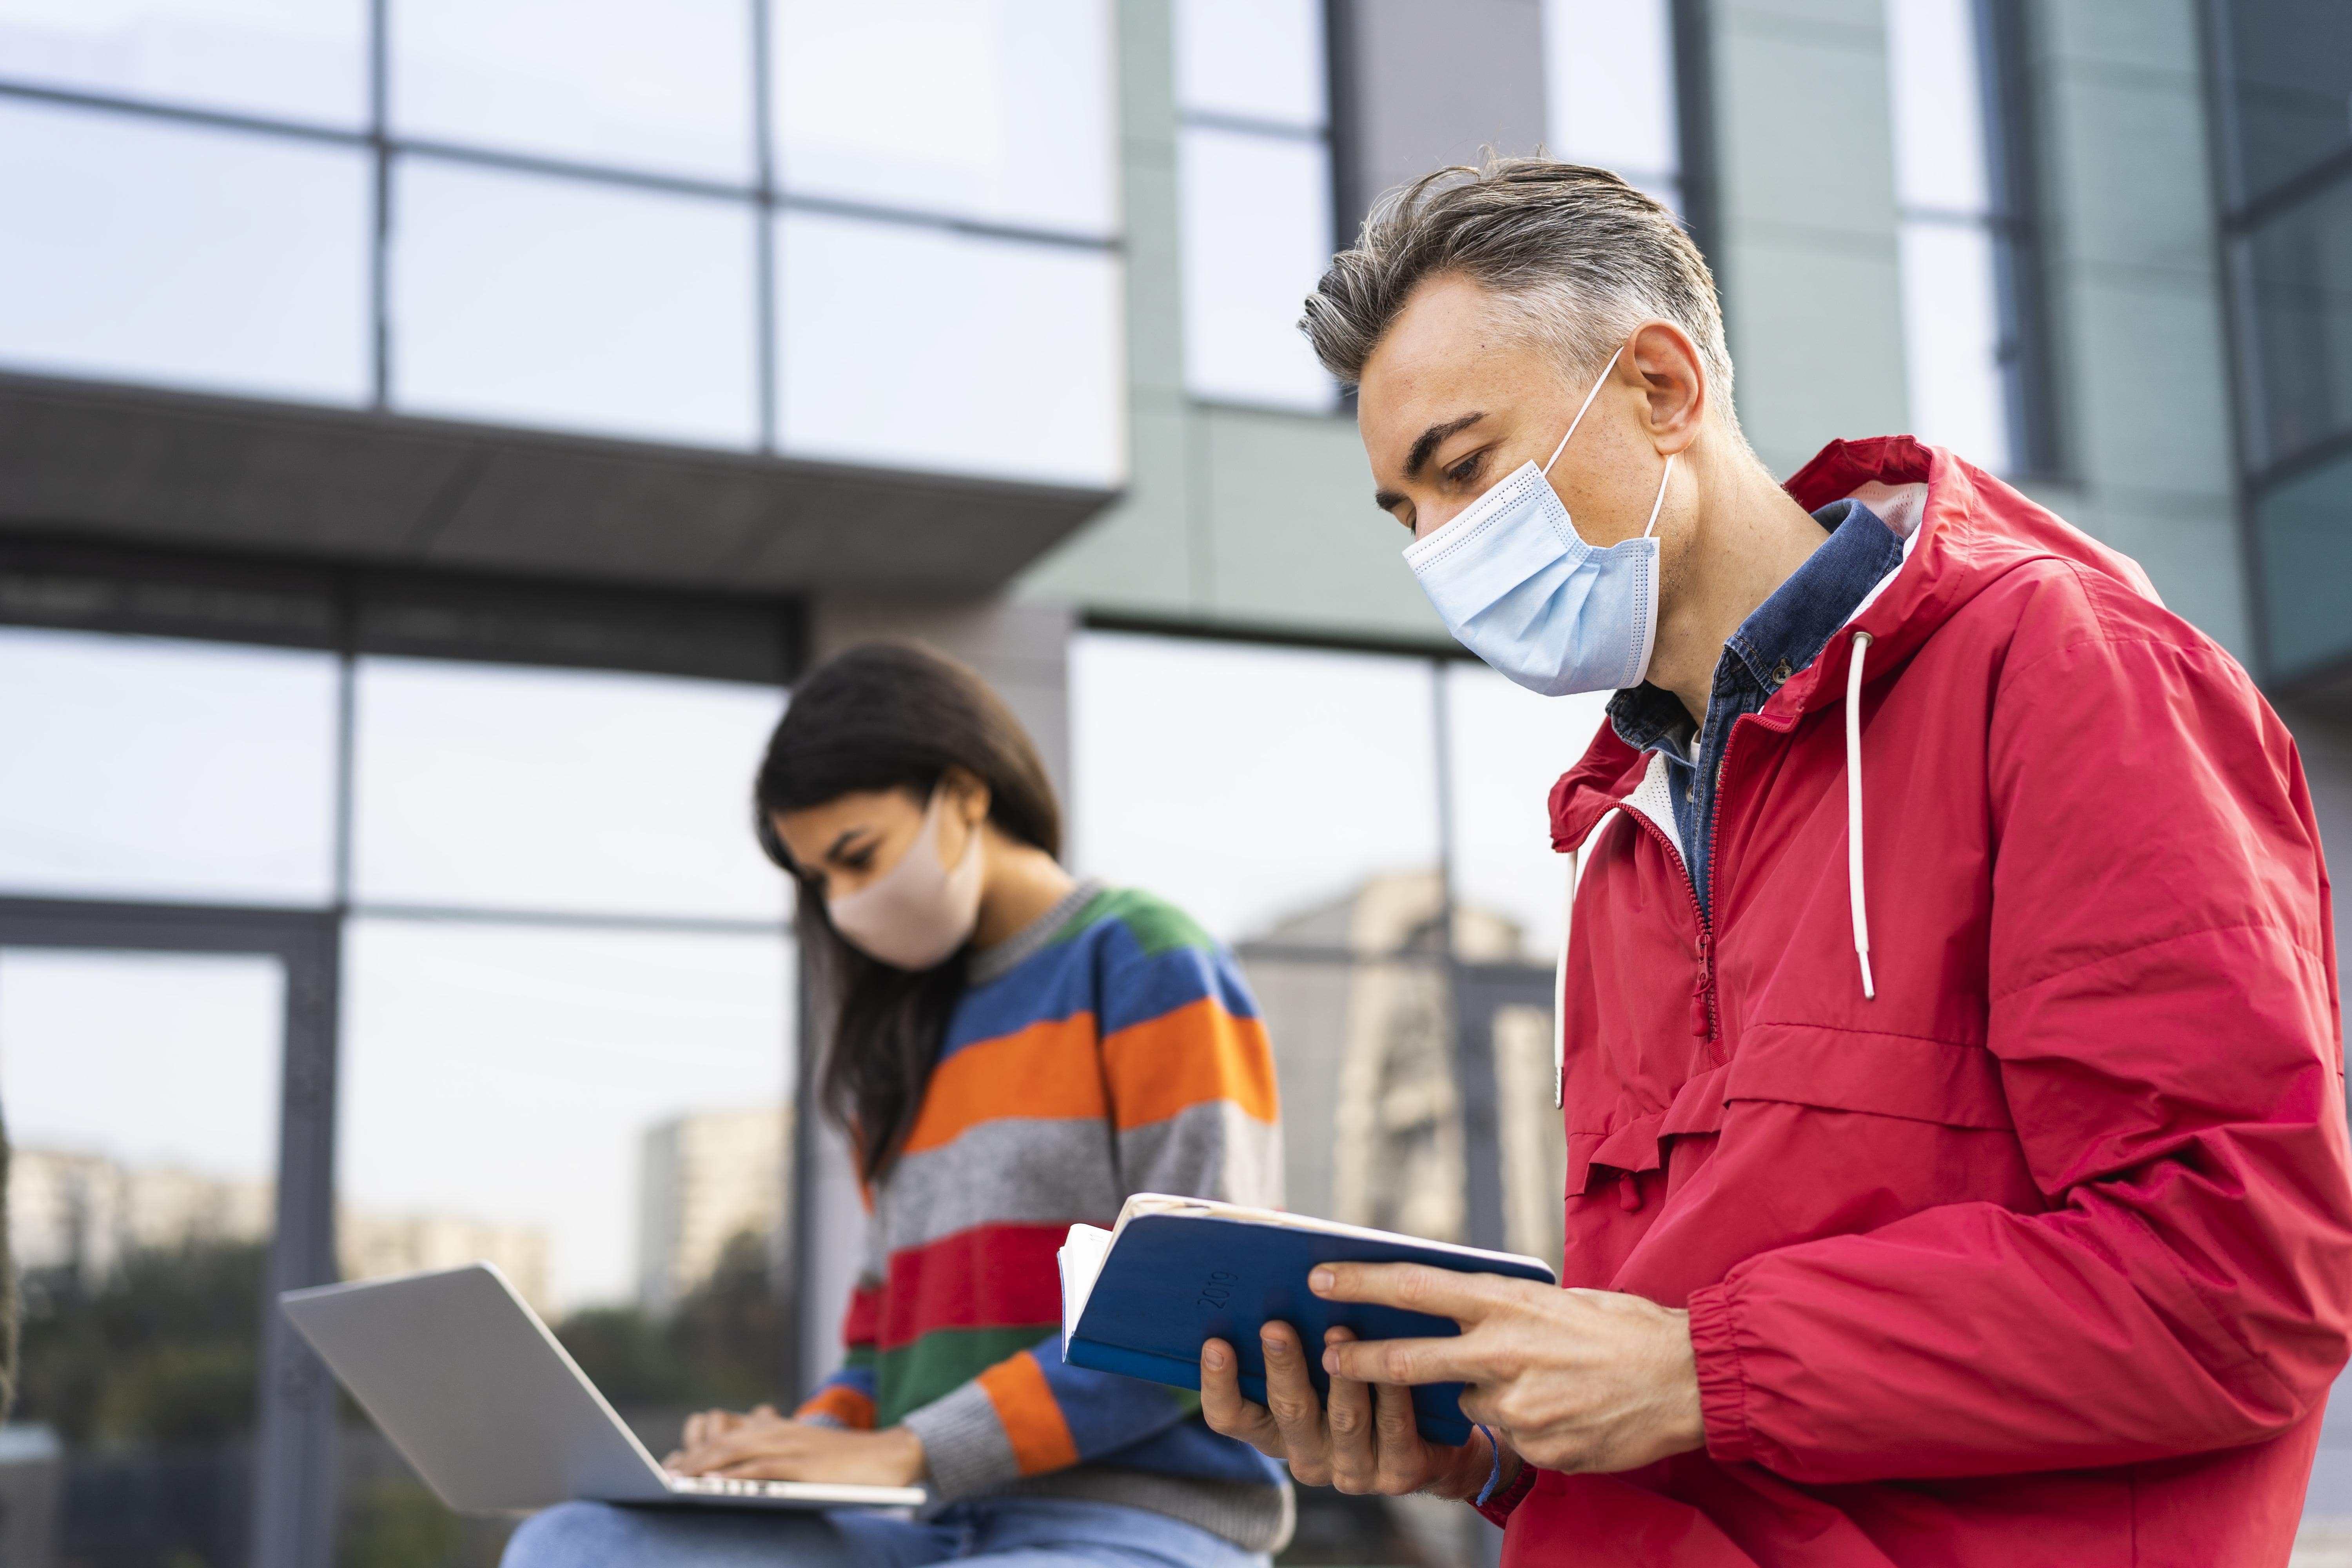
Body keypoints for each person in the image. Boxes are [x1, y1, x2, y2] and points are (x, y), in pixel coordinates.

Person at [1197, 158, 2352, 1565]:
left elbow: (2245, 1278)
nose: (1441, 550)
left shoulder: (2064, 673)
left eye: (1464, 468)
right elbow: (1677, 1381)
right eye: (1406, 512)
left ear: (1666, 388)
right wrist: (1499, 1443)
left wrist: (1694, 1373)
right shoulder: (1621, 835)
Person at [503, 641, 1289, 1568]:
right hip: (925, 1516)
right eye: (819, 881)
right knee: (572, 1544)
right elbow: (880, 1362)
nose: (843, 903)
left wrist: (906, 1448)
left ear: (964, 792)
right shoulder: (901, 1040)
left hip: (1133, 1519)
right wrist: (780, 1450)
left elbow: (1200, 1312)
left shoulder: (1147, 960)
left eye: (856, 855)